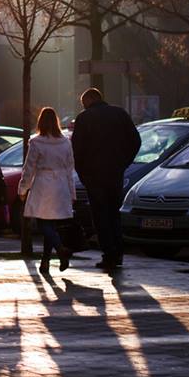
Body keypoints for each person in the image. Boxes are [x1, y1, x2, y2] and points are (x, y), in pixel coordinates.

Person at [70, 87, 141, 271]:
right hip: (115, 173)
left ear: (88, 100)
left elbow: (76, 150)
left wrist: (83, 174)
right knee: (114, 214)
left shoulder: (84, 118)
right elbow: (135, 141)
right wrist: (123, 163)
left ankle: (108, 254)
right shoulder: (120, 114)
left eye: (83, 104)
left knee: (100, 216)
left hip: (94, 176)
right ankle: (118, 253)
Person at [18, 107, 76, 273]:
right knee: (51, 224)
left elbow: (29, 168)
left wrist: (23, 189)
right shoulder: (65, 142)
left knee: (43, 223)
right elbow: (69, 169)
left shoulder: (36, 142)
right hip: (61, 185)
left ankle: (60, 249)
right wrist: (72, 192)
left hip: (43, 185)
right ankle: (45, 261)